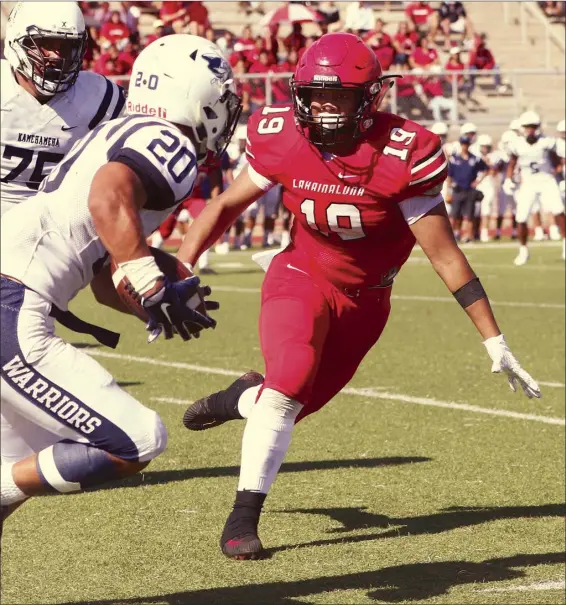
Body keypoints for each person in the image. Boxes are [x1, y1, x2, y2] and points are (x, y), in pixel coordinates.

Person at [177, 33, 541, 561]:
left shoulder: (404, 152)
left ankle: (237, 398)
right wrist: (181, 269)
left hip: (366, 302)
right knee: (288, 385)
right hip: (299, 275)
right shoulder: (281, 135)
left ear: (369, 97)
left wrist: (494, 339)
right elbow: (225, 205)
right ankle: (243, 517)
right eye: (316, 95)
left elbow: (444, 255)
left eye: (340, 96)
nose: (324, 107)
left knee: (284, 409)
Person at [0, 35, 234, 537]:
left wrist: (157, 301)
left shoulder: (124, 130)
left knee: (13, 476)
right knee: (138, 439)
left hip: (14, 295)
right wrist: (149, 278)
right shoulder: (167, 141)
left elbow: (106, 280)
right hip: (12, 303)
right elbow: (109, 195)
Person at [1, 1, 126, 216]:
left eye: (66, 47)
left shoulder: (100, 97)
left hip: (54, 227)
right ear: (17, 41)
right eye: (46, 43)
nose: (56, 56)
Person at [504, 111, 566, 264]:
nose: (530, 130)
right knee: (521, 217)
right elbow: (512, 163)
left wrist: (560, 177)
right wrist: (508, 179)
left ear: (538, 127)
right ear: (522, 128)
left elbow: (558, 161)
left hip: (546, 180)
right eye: (527, 127)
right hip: (528, 182)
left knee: (559, 210)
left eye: (533, 126)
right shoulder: (516, 144)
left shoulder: (547, 142)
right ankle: (523, 251)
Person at [447, 135, 487, 242]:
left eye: (467, 144)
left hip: (470, 189)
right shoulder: (454, 159)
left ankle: (468, 235)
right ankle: (456, 233)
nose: (465, 146)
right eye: (463, 144)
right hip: (457, 189)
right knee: (456, 215)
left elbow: (485, 169)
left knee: (469, 214)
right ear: (460, 145)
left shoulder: (475, 159)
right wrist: (449, 190)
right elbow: (449, 175)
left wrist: (478, 181)